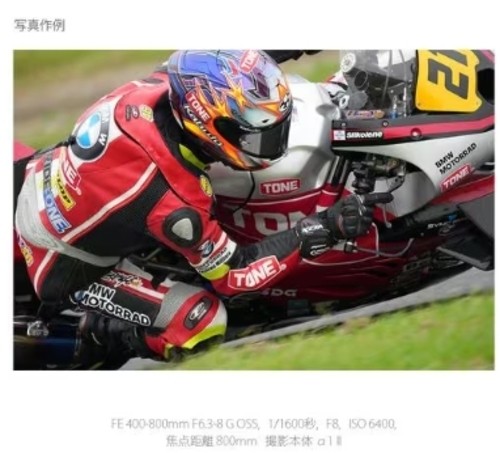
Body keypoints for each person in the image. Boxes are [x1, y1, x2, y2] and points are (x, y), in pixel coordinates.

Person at [14, 50, 391, 364]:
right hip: (61, 258)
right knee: (201, 322)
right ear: (209, 126)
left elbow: (229, 65)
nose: (269, 137)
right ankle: (99, 335)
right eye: (256, 130)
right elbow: (236, 275)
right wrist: (325, 227)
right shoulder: (174, 199)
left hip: (43, 174)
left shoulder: (173, 84)